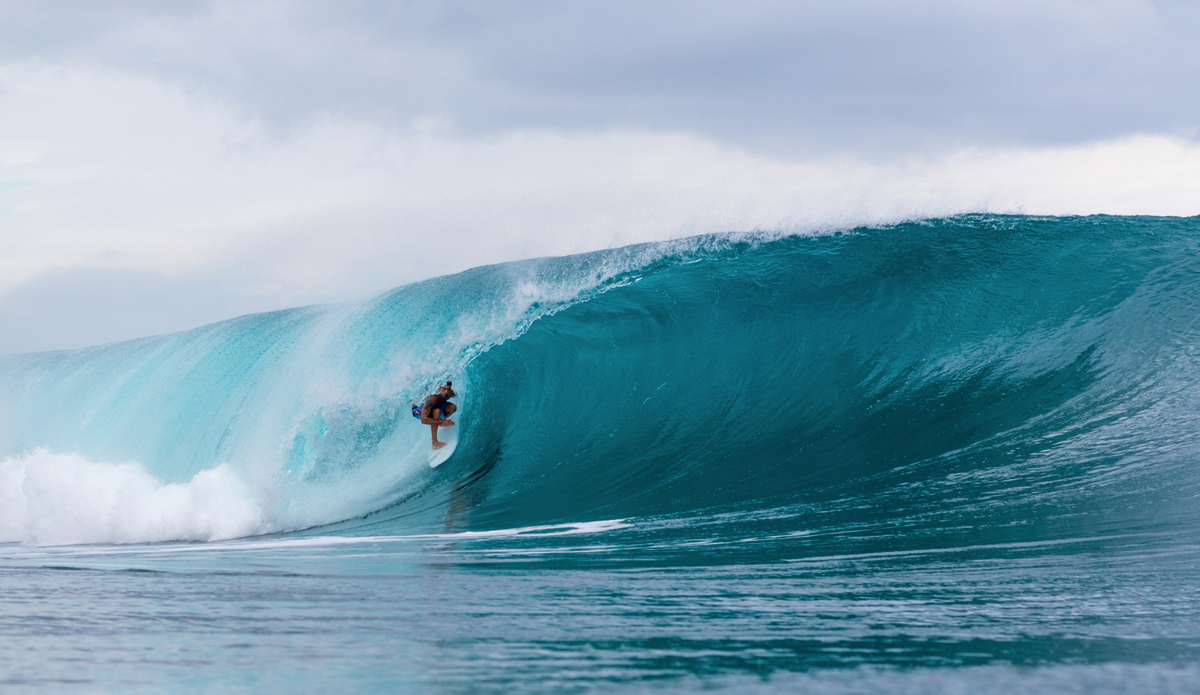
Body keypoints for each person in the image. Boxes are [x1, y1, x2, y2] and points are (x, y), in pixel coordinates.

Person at [412, 381, 457, 450]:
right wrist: (441, 423)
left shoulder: (449, 392)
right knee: (436, 412)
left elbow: (455, 395)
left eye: (447, 389)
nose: (446, 392)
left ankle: (440, 420)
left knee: (452, 408)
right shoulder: (432, 399)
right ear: (440, 389)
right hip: (418, 410)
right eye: (444, 389)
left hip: (434, 406)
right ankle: (435, 443)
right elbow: (424, 419)